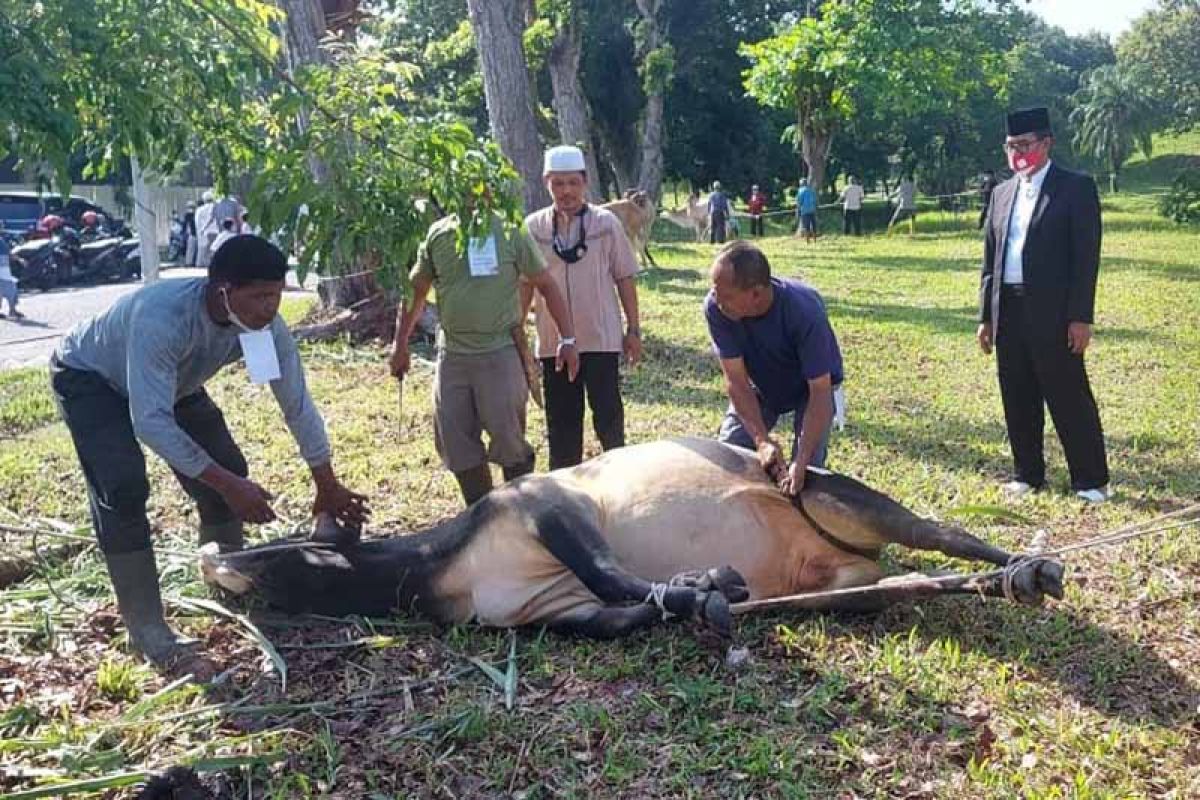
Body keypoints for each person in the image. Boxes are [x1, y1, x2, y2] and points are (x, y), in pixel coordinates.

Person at [50, 235, 369, 673]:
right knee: (123, 486)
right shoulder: (163, 319)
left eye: (275, 295)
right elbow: (151, 422)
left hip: (174, 384)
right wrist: (228, 485)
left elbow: (296, 403)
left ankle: (226, 578)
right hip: (91, 379)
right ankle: (146, 628)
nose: (269, 308)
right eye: (259, 296)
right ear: (223, 291)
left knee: (231, 468)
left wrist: (326, 483)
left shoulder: (264, 328)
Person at [387, 209, 579, 506]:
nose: (472, 193)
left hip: (499, 351)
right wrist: (400, 346)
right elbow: (417, 290)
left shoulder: (510, 231)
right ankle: (481, 513)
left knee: (509, 438)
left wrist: (567, 338)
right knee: (454, 439)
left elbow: (546, 284)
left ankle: (518, 512)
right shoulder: (439, 233)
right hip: (453, 355)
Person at [978, 107, 1109, 504]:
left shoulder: (1075, 188)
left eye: (1025, 145)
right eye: (1010, 146)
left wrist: (1080, 317)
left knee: (1068, 392)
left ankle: (1090, 479)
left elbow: (1086, 258)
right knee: (1016, 391)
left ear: (1046, 143)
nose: (1017, 153)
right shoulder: (1001, 193)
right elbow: (990, 261)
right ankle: (1028, 473)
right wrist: (986, 316)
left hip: (1054, 310)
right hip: (1009, 309)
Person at [525, 145, 642, 469]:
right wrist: (518, 338)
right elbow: (524, 286)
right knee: (562, 428)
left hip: (601, 340)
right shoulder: (533, 228)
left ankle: (619, 489)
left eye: (573, 183)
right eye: (558, 184)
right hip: (553, 345)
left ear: (585, 183)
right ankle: (564, 502)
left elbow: (625, 278)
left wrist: (633, 330)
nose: (566, 191)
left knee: (608, 420)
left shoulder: (606, 224)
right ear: (546, 183)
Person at [705, 240, 844, 495]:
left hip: (810, 389)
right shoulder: (717, 310)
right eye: (715, 291)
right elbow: (736, 381)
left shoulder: (804, 311)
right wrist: (761, 441)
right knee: (728, 456)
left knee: (808, 476)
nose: (717, 300)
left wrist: (801, 461)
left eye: (726, 296)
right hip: (763, 384)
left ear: (756, 294)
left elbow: (820, 392)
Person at [0, 222, 24, 320]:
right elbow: (8, 254)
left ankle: (12, 310)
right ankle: (12, 310)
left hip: (4, 268)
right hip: (2, 270)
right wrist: (19, 260)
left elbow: (8, 254)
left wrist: (19, 259)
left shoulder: (1, 240)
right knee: (11, 288)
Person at [195, 191, 217, 268]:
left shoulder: (200, 210)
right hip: (216, 231)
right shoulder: (216, 207)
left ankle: (203, 264)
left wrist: (200, 230)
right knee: (214, 248)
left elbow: (197, 222)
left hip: (205, 231)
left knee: (204, 249)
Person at [183, 201, 198, 267]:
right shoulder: (195, 213)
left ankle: (189, 262)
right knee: (192, 249)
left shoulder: (189, 214)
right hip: (196, 233)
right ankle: (190, 262)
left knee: (190, 249)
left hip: (193, 233)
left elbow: (185, 224)